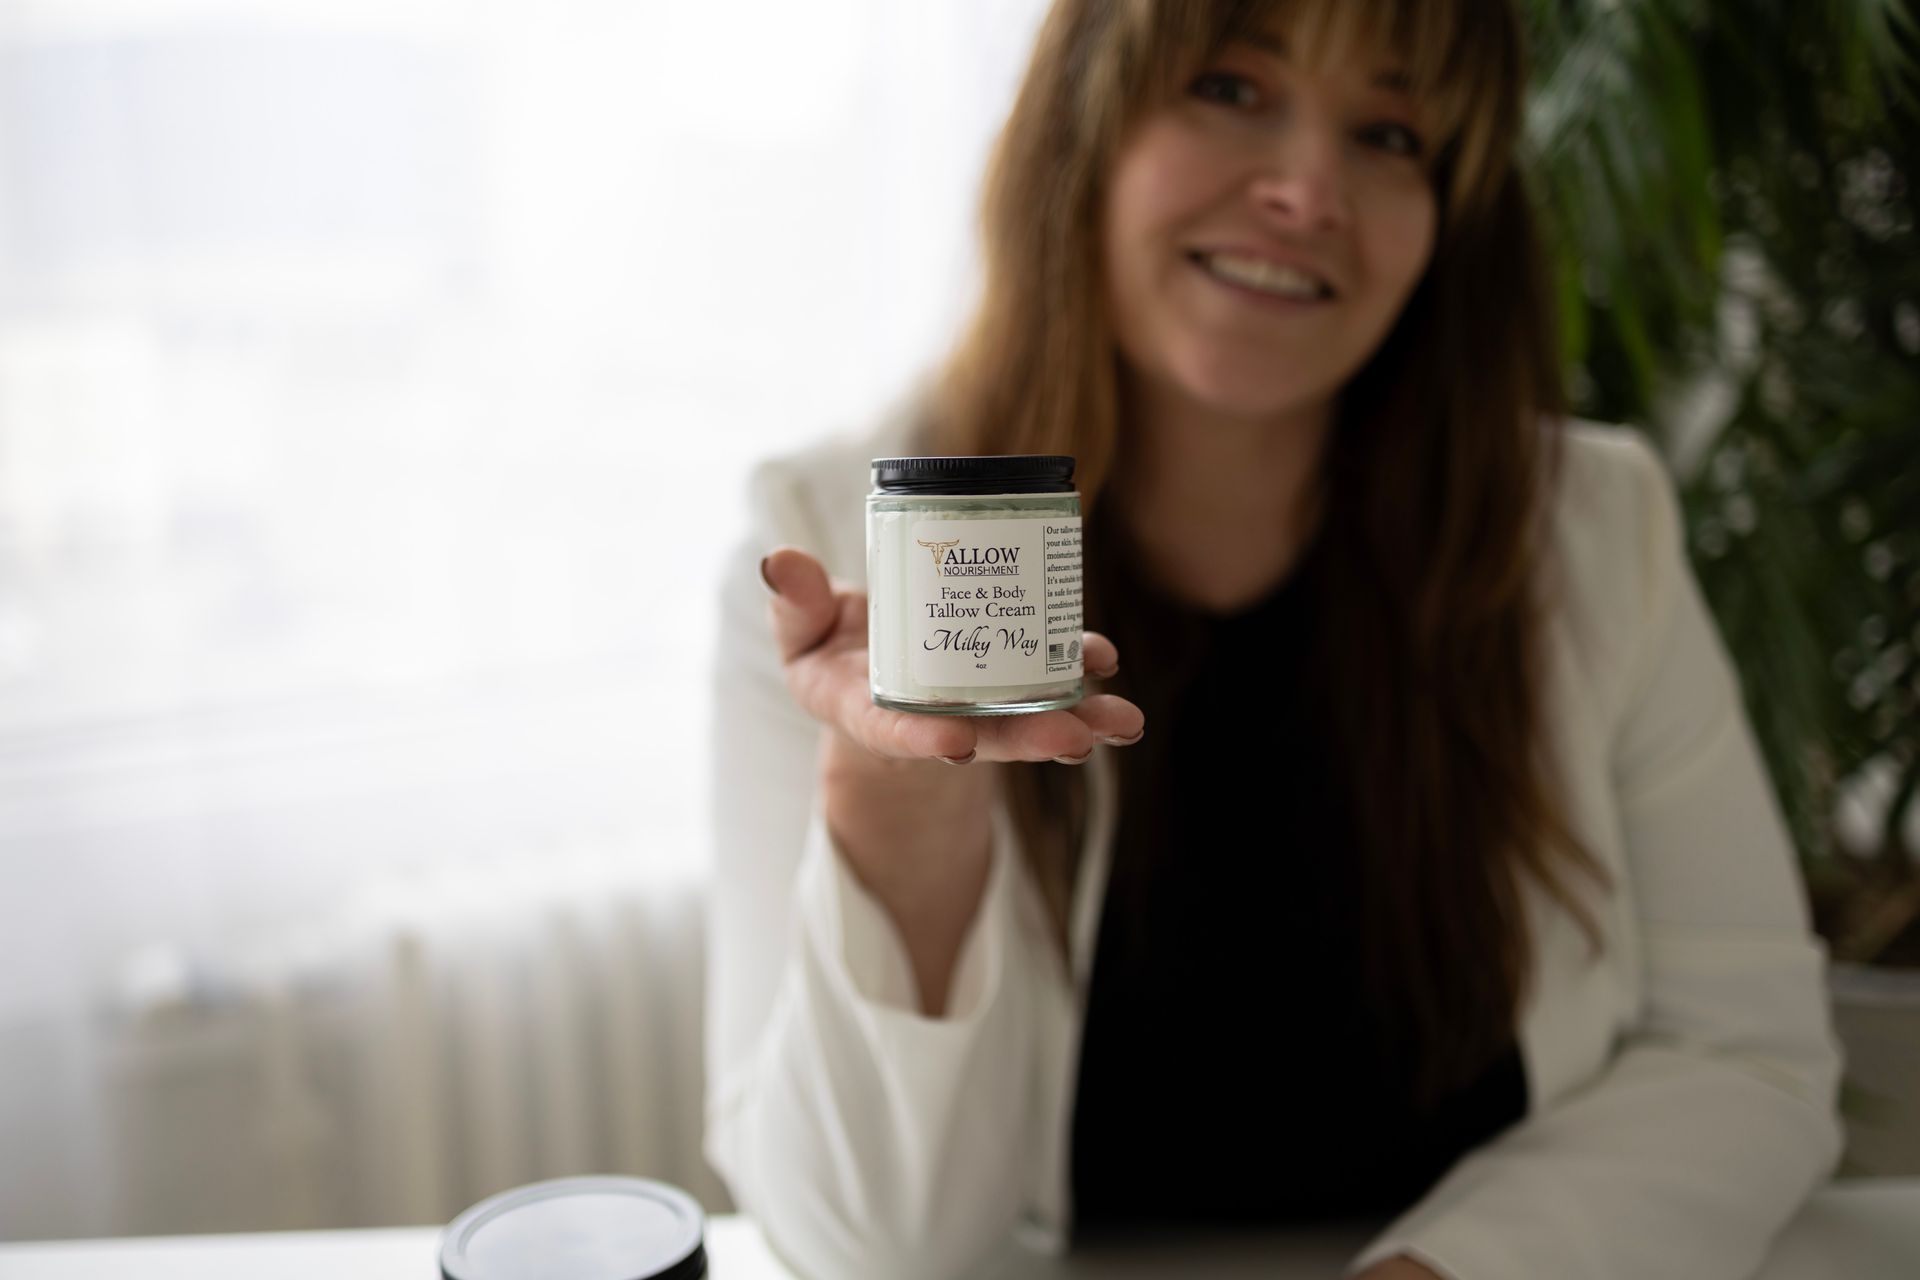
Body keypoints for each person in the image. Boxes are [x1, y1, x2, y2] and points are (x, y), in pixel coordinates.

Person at [702, 1, 1846, 1277]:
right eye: (1233, 90)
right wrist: (901, 814)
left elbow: (1747, 1053)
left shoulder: (1591, 535)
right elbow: (869, 1249)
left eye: (1391, 132)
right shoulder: (835, 551)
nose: (1308, 191)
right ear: (1080, 122)